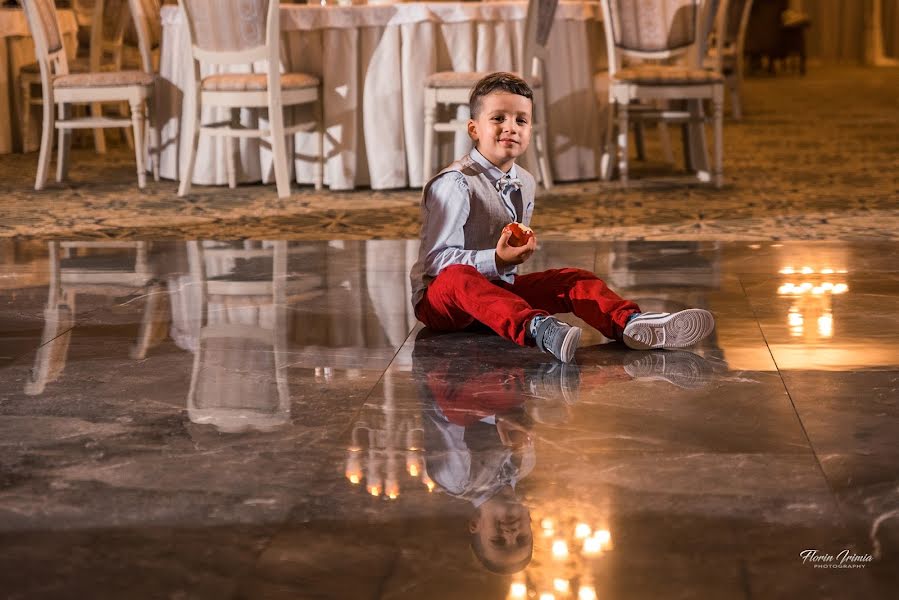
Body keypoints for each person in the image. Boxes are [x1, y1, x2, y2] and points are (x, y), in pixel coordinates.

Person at [410, 72, 716, 363]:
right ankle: (538, 329)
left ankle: (629, 323)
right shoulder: (455, 182)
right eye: (498, 118)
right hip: (445, 302)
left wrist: (514, 253)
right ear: (474, 128)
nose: (511, 127)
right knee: (458, 278)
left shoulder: (526, 182)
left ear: (531, 130)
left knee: (574, 280)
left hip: (497, 293)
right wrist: (498, 259)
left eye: (521, 120)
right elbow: (436, 261)